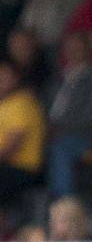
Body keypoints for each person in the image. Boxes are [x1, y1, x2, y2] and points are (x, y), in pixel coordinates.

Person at [48, 31, 92, 199]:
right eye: (69, 47)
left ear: (87, 50)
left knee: (60, 148)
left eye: (78, 47)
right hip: (54, 133)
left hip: (86, 135)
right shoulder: (58, 77)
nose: (73, 51)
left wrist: (63, 128)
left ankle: (65, 203)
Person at [0, 59, 46, 205]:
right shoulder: (5, 103)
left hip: (23, 168)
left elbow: (12, 146)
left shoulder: (22, 103)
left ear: (16, 78)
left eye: (5, 77)